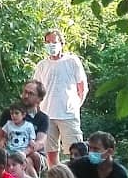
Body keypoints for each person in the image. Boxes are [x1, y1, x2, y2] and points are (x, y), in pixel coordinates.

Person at [31, 28, 87, 168]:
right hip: (47, 115)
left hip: (68, 115)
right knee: (51, 153)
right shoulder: (42, 66)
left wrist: (75, 106)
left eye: (54, 42)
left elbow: (82, 87)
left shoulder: (72, 61)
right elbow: (35, 90)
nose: (51, 45)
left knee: (76, 151)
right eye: (48, 42)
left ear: (61, 43)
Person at [0, 103, 37, 172]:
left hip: (22, 150)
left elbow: (32, 139)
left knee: (28, 160)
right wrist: (2, 141)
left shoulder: (29, 126)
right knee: (3, 160)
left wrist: (32, 141)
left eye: (16, 113)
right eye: (12, 114)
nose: (14, 116)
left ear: (23, 115)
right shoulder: (8, 124)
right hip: (10, 150)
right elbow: (5, 136)